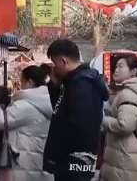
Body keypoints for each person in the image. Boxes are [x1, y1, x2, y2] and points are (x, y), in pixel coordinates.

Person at [42, 39, 108, 181]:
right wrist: (54, 87)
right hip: (69, 160)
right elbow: (60, 111)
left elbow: (82, 125)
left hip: (75, 161)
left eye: (54, 64)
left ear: (63, 61)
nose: (54, 68)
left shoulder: (82, 85)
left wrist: (61, 149)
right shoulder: (71, 83)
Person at [100, 54, 137, 181]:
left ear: (133, 71)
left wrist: (103, 120)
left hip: (125, 164)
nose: (116, 70)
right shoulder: (135, 91)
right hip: (130, 161)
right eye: (116, 66)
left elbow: (124, 125)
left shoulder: (128, 93)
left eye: (121, 66)